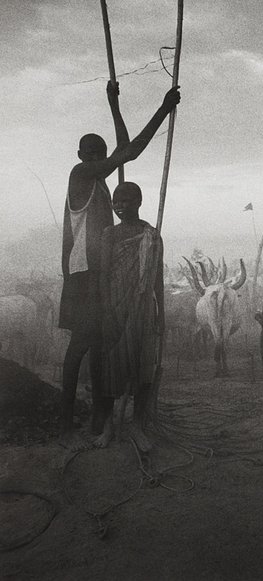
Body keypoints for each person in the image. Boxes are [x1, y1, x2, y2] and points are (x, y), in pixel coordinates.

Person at [58, 80, 180, 450]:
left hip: (96, 273)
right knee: (82, 346)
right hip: (84, 275)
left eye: (100, 153)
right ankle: (70, 420)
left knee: (99, 347)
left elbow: (125, 150)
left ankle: (99, 416)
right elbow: (132, 151)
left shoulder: (97, 179)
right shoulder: (81, 175)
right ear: (81, 155)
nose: (96, 157)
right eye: (91, 152)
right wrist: (163, 109)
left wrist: (114, 105)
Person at [95, 182, 164, 451]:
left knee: (143, 366)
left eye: (125, 200)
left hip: (144, 309)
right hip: (115, 307)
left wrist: (162, 315)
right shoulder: (109, 235)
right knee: (111, 366)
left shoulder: (152, 235)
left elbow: (157, 278)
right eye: (116, 201)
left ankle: (137, 425)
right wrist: (106, 310)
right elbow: (103, 276)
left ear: (139, 201)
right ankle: (109, 427)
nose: (119, 206)